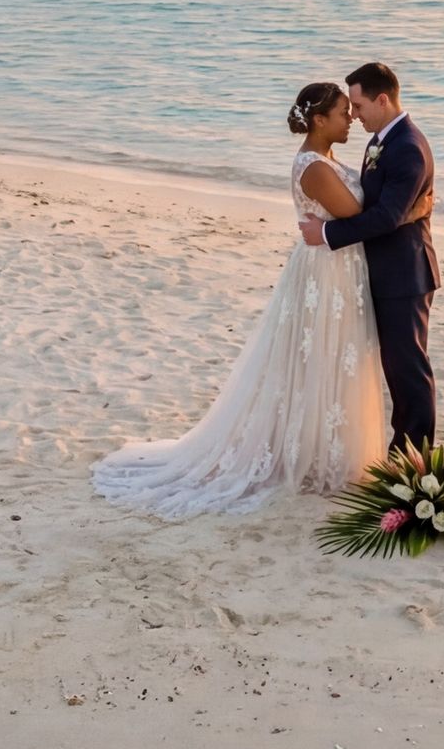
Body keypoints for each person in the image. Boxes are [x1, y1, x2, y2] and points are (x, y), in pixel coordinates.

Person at [91, 81, 388, 517]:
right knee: (318, 357)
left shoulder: (328, 159)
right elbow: (355, 214)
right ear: (320, 120)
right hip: (325, 275)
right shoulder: (315, 168)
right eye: (343, 112)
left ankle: (322, 447)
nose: (350, 120)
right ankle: (304, 452)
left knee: (330, 357)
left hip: (338, 269)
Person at [298, 61, 438, 454]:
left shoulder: (407, 147)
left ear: (382, 99)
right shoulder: (381, 141)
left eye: (358, 106)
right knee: (392, 368)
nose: (354, 115)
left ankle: (415, 456)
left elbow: (386, 216)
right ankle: (401, 449)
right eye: (348, 110)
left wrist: (326, 233)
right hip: (377, 272)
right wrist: (411, 211)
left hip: (403, 275)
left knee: (408, 370)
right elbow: (383, 207)